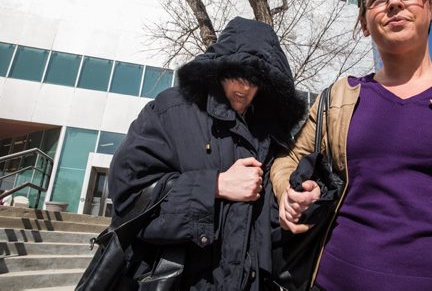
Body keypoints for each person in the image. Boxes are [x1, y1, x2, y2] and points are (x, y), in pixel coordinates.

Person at [270, 0, 432, 290]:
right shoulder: (337, 100)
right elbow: (287, 160)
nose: (393, 2)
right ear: (364, 23)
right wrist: (286, 193)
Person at [108, 16, 306, 290]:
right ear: (219, 68)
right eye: (238, 72)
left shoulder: (270, 138)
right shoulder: (172, 110)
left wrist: (294, 206)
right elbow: (128, 198)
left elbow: (268, 232)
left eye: (256, 78)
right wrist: (214, 185)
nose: (245, 87)